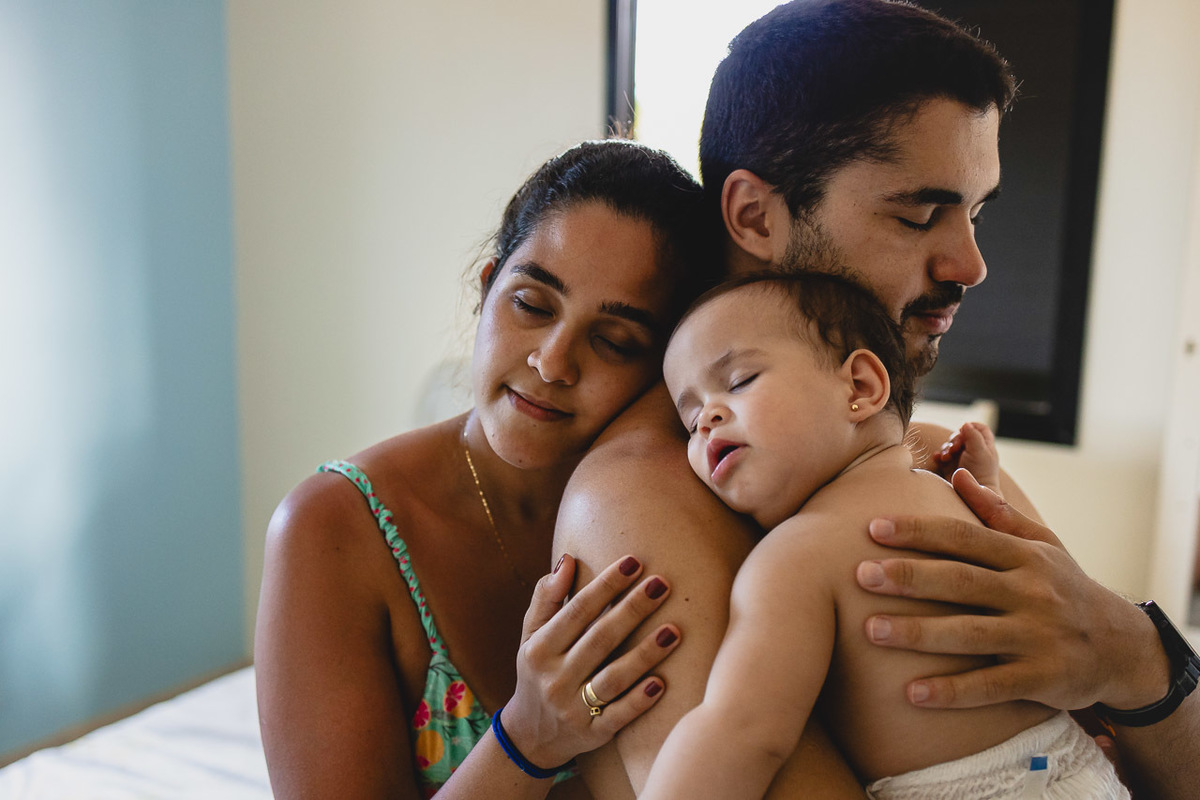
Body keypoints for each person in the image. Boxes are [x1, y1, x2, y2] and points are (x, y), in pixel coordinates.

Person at [554, 2, 1199, 797]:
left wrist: (1139, 653)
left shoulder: (929, 461)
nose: (972, 263)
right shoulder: (644, 498)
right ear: (755, 215)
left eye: (977, 212)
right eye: (921, 214)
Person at [254, 139, 725, 798]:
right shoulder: (333, 528)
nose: (553, 363)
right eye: (532, 305)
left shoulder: (698, 503)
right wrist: (528, 738)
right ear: (486, 290)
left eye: (615, 341)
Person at [642, 272, 1127, 799]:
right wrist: (984, 490)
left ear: (860, 387)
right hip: (1077, 770)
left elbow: (741, 731)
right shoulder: (952, 497)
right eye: (690, 422)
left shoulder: (796, 554)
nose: (708, 419)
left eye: (739, 382)